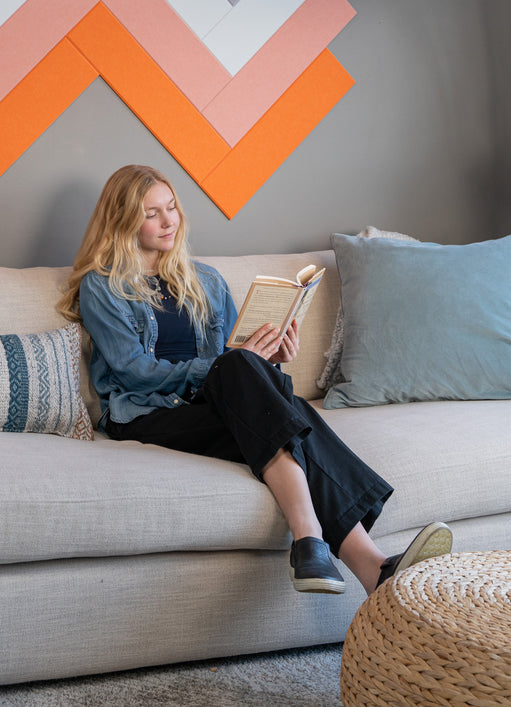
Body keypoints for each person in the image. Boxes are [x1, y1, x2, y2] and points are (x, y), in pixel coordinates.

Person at [58, 164, 451, 594]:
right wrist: (233, 365)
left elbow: (237, 364)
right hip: (146, 412)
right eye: (152, 213)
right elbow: (134, 369)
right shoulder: (103, 286)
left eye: (172, 207)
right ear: (123, 220)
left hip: (214, 401)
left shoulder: (204, 280)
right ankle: (347, 555)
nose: (169, 220)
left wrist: (273, 358)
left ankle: (347, 560)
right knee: (275, 403)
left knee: (261, 401)